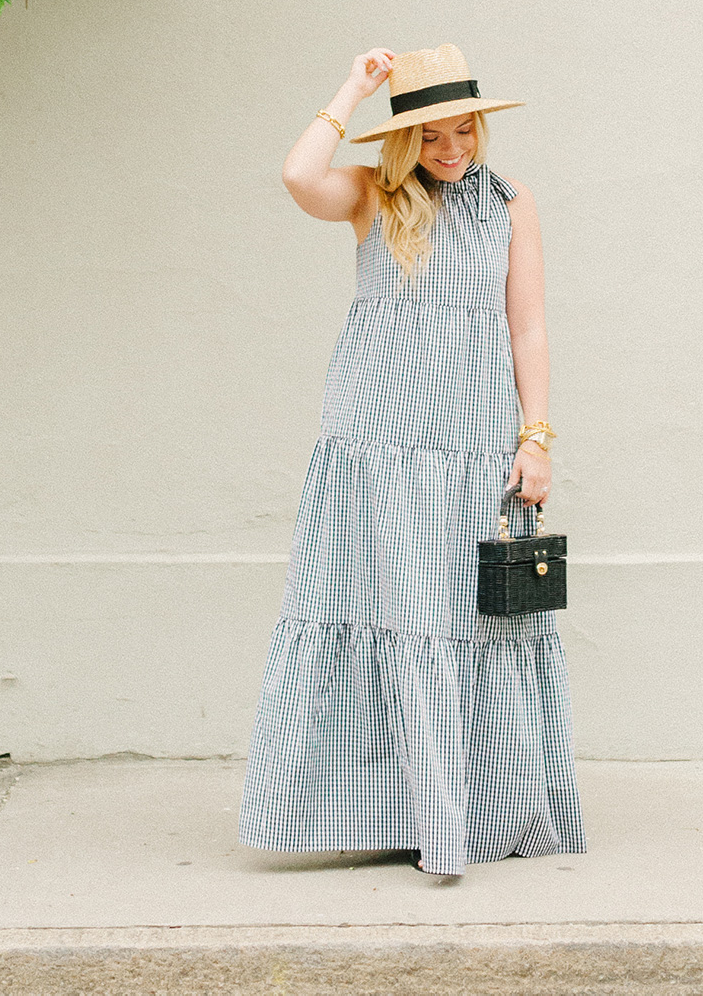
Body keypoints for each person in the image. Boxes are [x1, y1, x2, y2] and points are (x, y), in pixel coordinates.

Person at [238, 43, 586, 879]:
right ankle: (396, 807)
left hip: (470, 443)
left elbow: (527, 328)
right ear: (401, 140)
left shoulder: (510, 203)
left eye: (464, 132)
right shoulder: (369, 195)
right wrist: (352, 90)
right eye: (432, 137)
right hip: (376, 443)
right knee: (383, 611)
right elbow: (295, 175)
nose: (453, 150)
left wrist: (535, 438)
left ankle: (467, 806)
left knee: (469, 621)